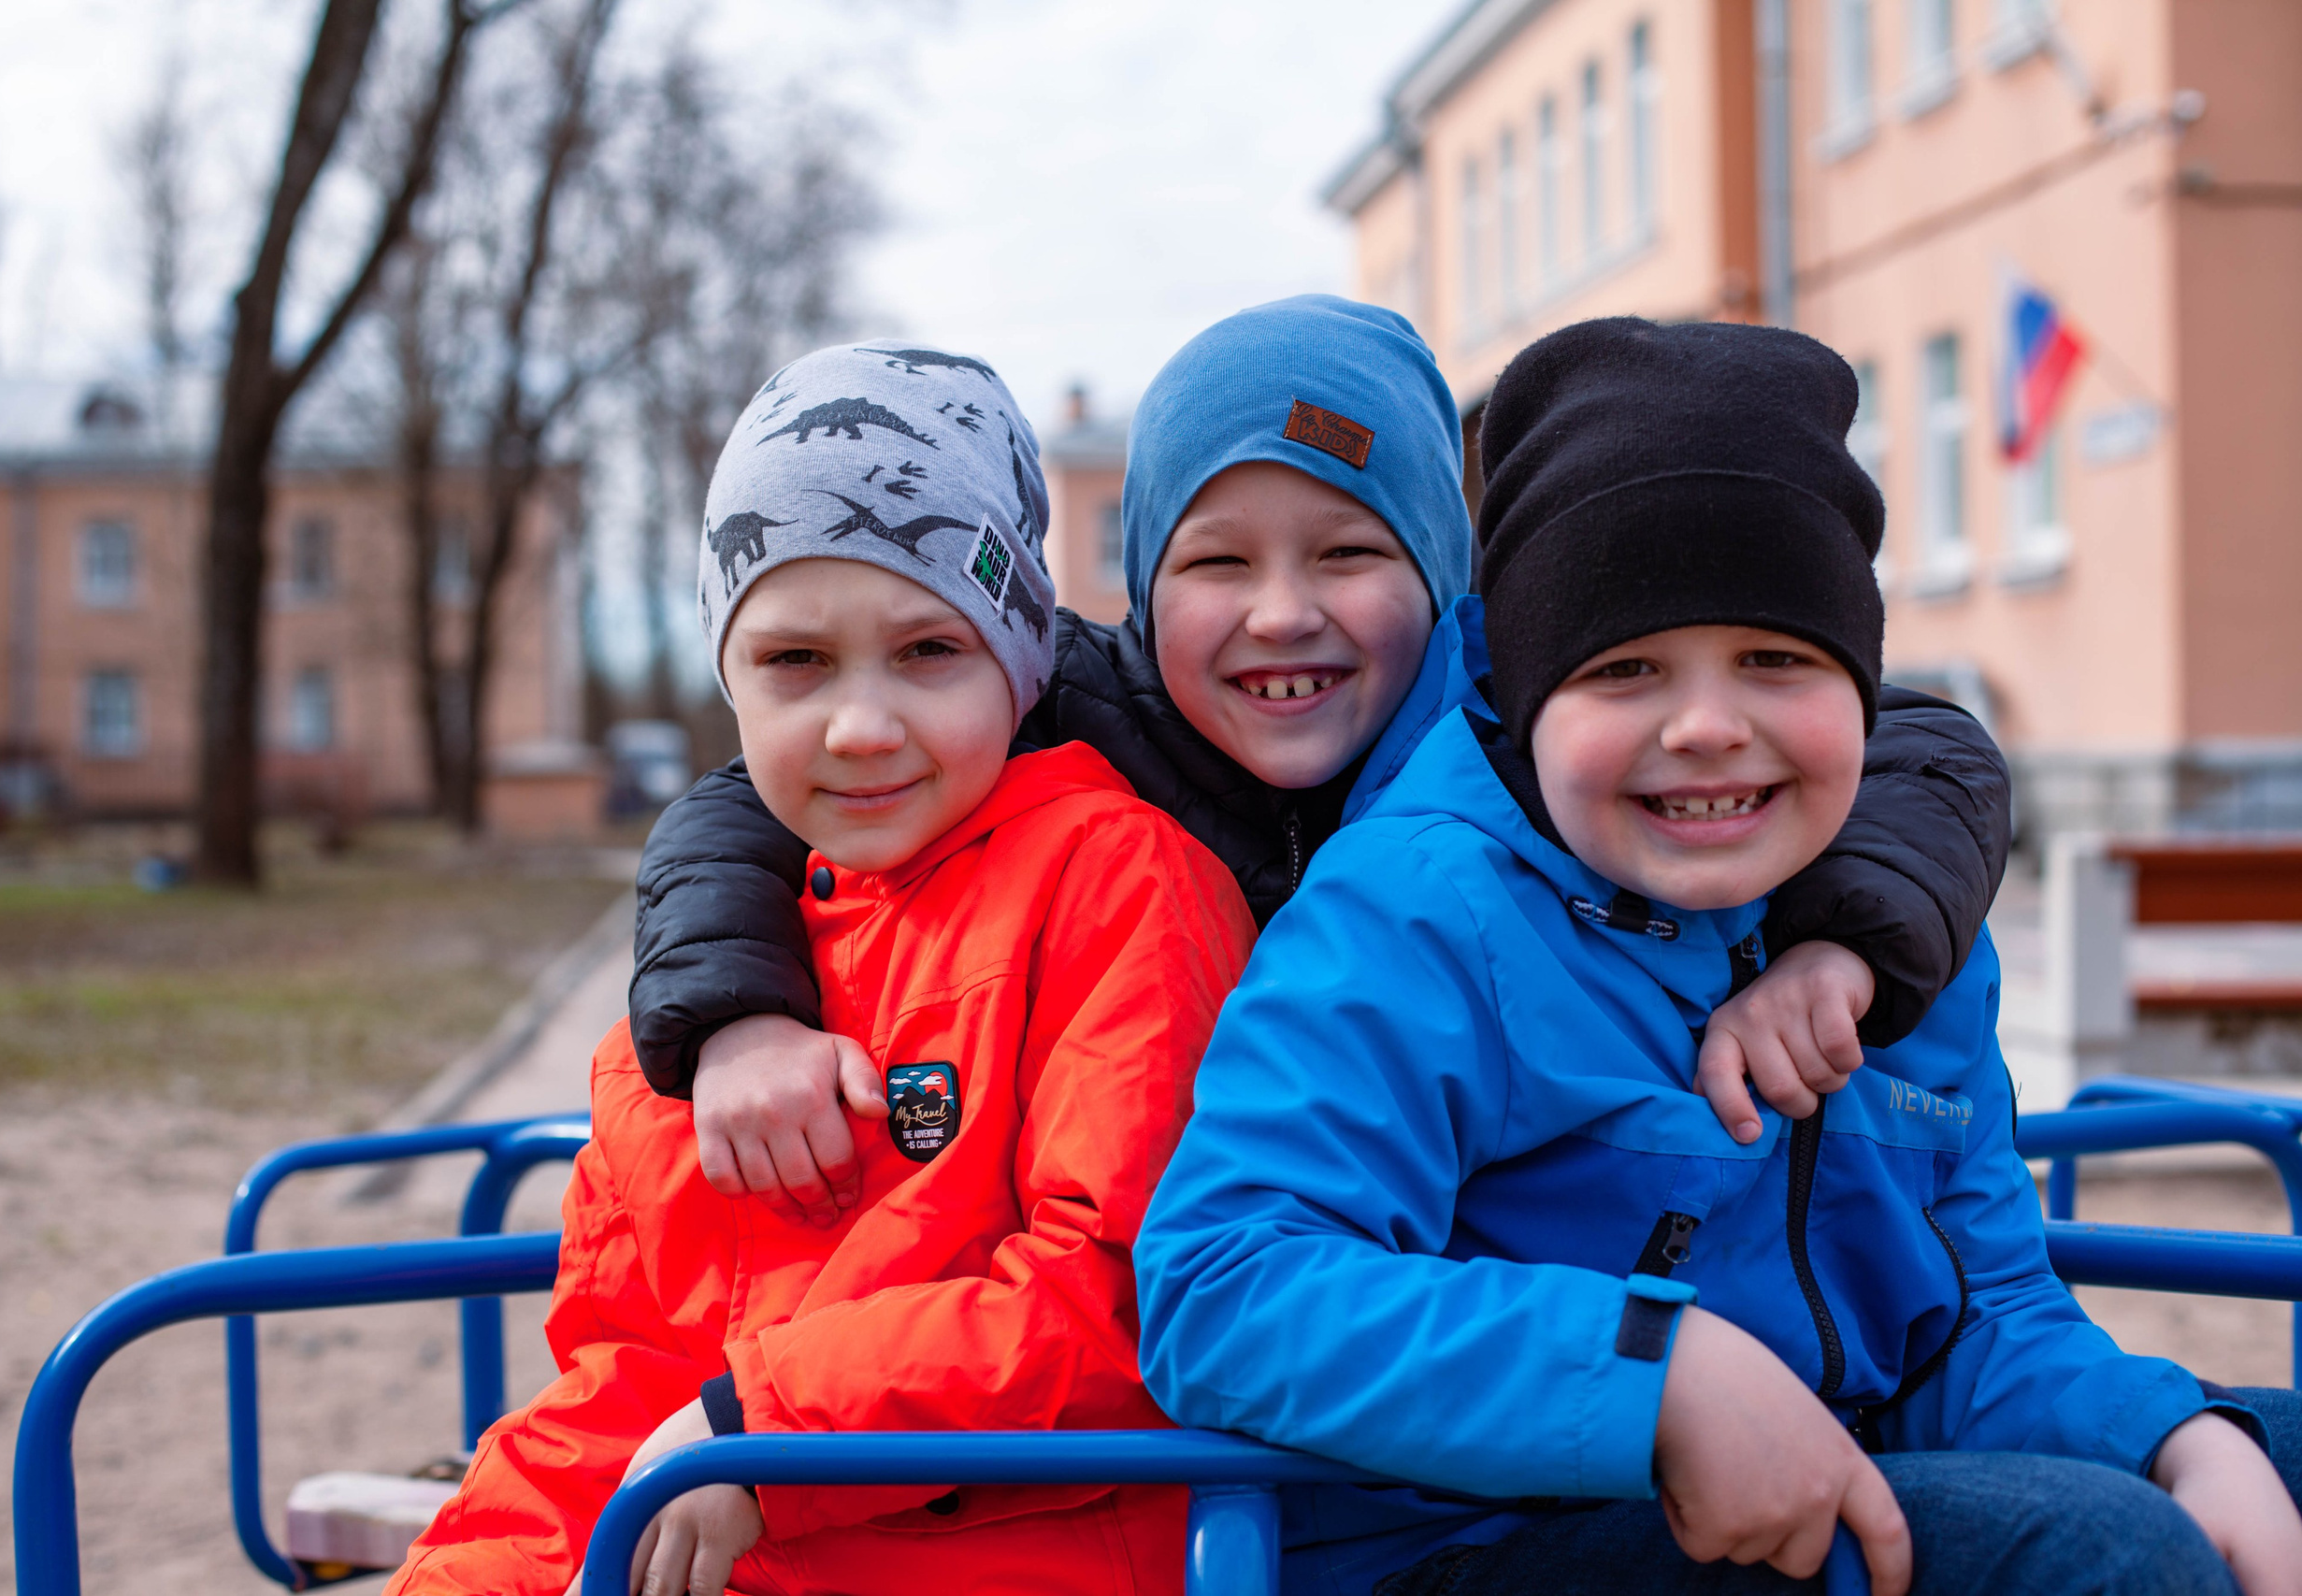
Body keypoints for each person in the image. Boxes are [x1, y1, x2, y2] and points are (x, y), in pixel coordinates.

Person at [1132, 318, 2302, 1596]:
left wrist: (2170, 1436)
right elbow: (1225, 1284)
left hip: (1819, 1467)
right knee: (2101, 1553)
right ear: (1525, 699)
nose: (1704, 727)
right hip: (1468, 1535)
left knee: (2252, 1455)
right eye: (1625, 668)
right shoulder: (1426, 912)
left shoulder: (1895, 937)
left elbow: (1976, 1315)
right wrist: (1652, 1370)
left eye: (1773, 659)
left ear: (1863, 680)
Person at [627, 295, 2013, 1229]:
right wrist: (736, 1012)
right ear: (1137, 589)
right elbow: (744, 805)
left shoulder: (1522, 721)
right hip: (1184, 1266)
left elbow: (1924, 748)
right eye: (1217, 562)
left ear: (1451, 578)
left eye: (1350, 554)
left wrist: (1848, 946)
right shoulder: (1076, 711)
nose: (1282, 613)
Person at [387, 343, 1257, 1596]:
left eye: (927, 653)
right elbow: (618, 1384)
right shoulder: (685, 1018)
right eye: (796, 663)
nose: (860, 725)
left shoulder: (1115, 889)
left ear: (1017, 662)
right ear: (730, 680)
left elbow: (1113, 1309)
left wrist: (768, 1436)